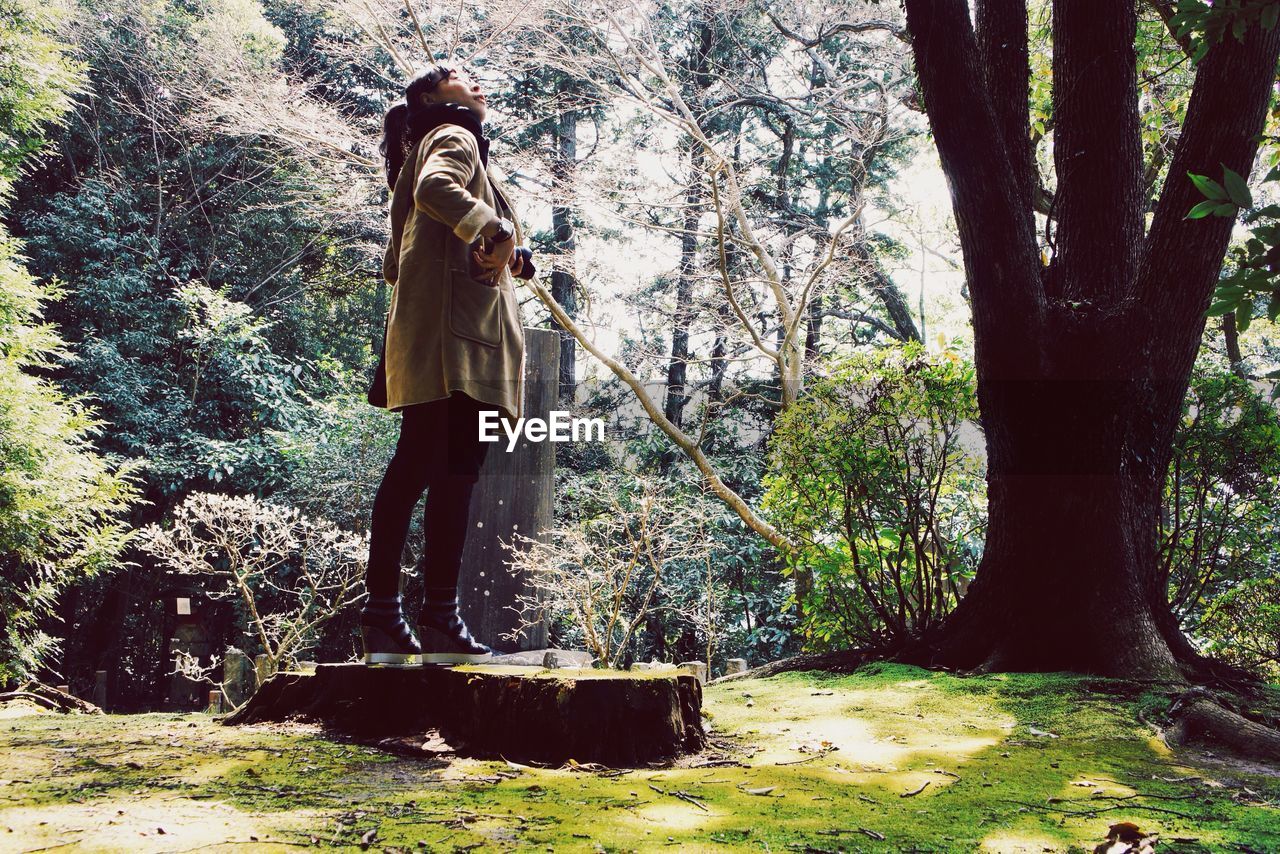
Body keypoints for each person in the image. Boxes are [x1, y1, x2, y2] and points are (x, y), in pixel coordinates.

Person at [360, 64, 533, 666]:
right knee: (423, 467)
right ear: (432, 97)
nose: (479, 84)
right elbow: (439, 191)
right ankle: (388, 611)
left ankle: (435, 614)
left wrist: (507, 251)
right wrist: (490, 226)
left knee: (452, 476)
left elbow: (396, 259)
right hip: (452, 346)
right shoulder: (453, 135)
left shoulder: (450, 143)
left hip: (456, 342)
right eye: (464, 78)